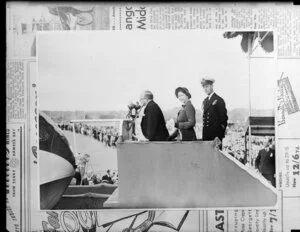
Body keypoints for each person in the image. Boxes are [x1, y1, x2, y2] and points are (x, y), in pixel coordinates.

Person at [201, 77, 228, 149]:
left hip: (216, 136)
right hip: (206, 135)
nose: (205, 89)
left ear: (212, 86)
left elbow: (224, 119)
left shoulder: (219, 99)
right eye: (204, 87)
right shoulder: (205, 101)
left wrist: (219, 136)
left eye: (207, 86)